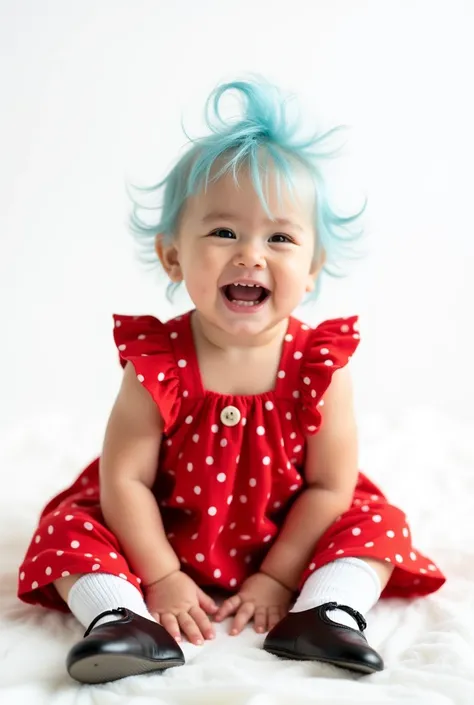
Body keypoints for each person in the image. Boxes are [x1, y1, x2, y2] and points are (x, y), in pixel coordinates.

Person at [17, 77, 445, 684]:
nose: (250, 254)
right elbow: (126, 479)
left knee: (379, 522)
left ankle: (326, 610)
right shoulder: (157, 361)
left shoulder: (320, 365)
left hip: (290, 533)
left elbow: (328, 486)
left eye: (280, 237)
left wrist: (278, 575)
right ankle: (118, 618)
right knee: (66, 526)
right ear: (173, 257)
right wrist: (161, 575)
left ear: (313, 266)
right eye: (223, 232)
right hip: (159, 530)